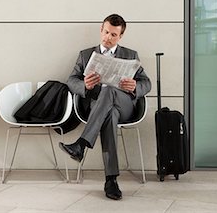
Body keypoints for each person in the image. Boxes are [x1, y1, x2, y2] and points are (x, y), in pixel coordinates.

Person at [59, 14, 151, 200]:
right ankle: (111, 180)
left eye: (113, 35)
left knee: (109, 91)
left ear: (121, 36)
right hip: (99, 108)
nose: (108, 37)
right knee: (110, 114)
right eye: (106, 32)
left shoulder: (131, 55)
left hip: (126, 106)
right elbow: (71, 81)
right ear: (101, 29)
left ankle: (82, 144)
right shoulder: (85, 55)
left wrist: (135, 86)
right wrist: (85, 85)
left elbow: (147, 83)